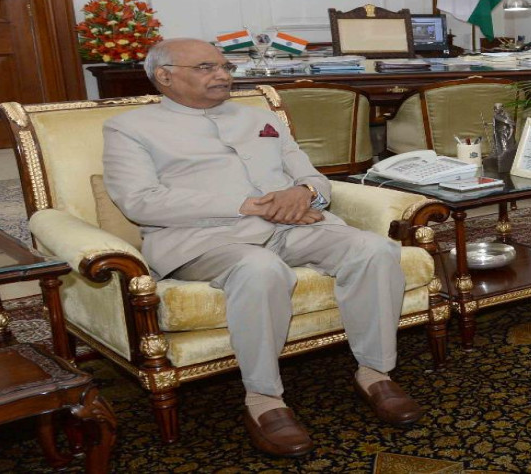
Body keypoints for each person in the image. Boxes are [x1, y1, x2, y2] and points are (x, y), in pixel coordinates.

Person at [102, 38, 424, 457]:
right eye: (206, 68)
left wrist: (304, 194)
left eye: (225, 66)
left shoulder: (259, 117)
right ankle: (263, 399)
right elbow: (140, 201)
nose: (222, 75)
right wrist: (249, 206)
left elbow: (314, 178)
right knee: (260, 268)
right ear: (165, 76)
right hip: (206, 239)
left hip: (292, 225)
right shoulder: (130, 128)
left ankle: (375, 372)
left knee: (373, 249)